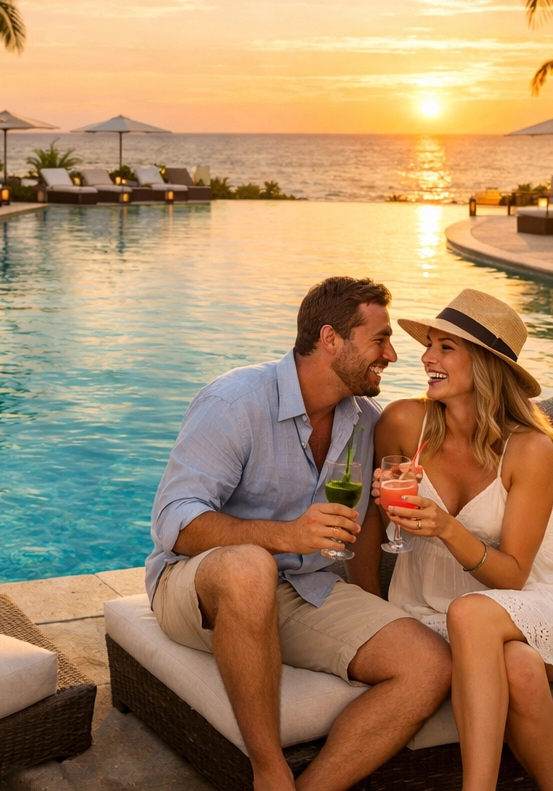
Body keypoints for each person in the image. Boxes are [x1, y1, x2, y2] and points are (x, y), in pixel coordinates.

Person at [147, 277, 451, 791]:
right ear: (330, 338)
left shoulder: (364, 422)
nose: (392, 355)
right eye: (379, 339)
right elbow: (173, 522)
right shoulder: (234, 402)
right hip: (200, 583)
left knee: (429, 665)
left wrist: (376, 594)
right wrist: (286, 536)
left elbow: (362, 528)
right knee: (250, 566)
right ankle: (269, 773)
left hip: (303, 588)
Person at [370, 289, 553, 791]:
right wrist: (389, 507)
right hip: (430, 606)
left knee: (473, 614)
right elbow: (380, 530)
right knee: (519, 671)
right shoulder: (402, 423)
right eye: (429, 345)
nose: (427, 358)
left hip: (537, 599)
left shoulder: (531, 448)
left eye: (445, 348)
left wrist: (446, 527)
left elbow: (513, 576)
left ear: (486, 365)